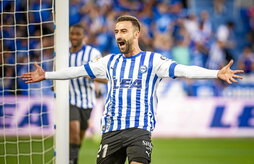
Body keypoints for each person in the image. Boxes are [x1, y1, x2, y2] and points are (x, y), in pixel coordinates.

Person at [21, 15, 244, 164]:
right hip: (111, 131)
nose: (118, 35)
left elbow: (185, 70)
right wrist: (47, 75)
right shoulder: (109, 62)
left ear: (136, 34)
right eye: (117, 31)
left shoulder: (153, 60)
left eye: (124, 31)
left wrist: (215, 73)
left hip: (139, 130)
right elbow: (76, 71)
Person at [69, 24, 106, 164]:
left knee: (78, 138)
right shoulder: (62, 54)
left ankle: (72, 157)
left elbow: (106, 78)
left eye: (77, 34)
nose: (74, 37)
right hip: (69, 99)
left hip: (87, 101)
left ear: (83, 36)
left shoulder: (93, 54)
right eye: (72, 33)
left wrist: (89, 75)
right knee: (73, 133)